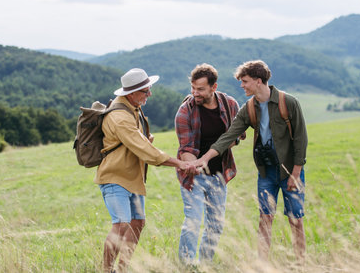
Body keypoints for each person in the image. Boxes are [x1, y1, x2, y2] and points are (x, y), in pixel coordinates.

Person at [193, 60, 308, 262]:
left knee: (295, 220)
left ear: (258, 81)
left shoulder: (288, 102)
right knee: (265, 219)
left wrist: (296, 173)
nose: (242, 86)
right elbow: (229, 135)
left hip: (291, 171)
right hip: (266, 172)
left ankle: (301, 264)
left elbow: (301, 138)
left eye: (245, 81)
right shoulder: (249, 108)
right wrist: (205, 158)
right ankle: (262, 264)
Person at [95, 68, 197, 273]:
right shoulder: (120, 117)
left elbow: (137, 143)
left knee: (138, 223)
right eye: (145, 91)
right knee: (122, 224)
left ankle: (122, 269)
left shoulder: (133, 107)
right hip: (115, 177)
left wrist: (145, 141)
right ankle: (106, 271)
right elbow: (146, 152)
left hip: (132, 177)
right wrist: (180, 164)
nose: (149, 94)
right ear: (131, 93)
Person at [175, 63, 244, 264]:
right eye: (193, 88)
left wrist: (216, 152)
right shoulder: (185, 111)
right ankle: (186, 265)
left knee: (215, 225)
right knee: (193, 221)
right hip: (193, 176)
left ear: (213, 87)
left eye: (200, 89)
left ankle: (206, 264)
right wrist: (194, 166)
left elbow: (238, 135)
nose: (195, 93)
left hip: (219, 174)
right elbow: (186, 147)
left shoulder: (230, 105)